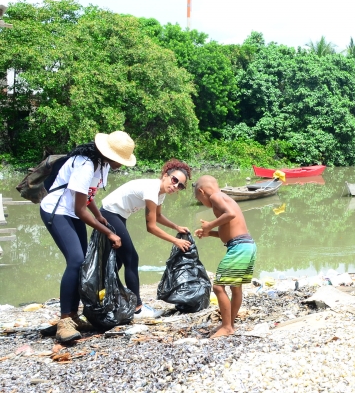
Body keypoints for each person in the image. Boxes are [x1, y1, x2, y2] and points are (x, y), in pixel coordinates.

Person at [40, 131, 137, 342]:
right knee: (75, 260)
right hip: (57, 211)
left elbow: (87, 195)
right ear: (109, 154)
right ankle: (65, 320)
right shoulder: (85, 164)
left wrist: (99, 215)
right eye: (120, 160)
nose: (121, 164)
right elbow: (80, 207)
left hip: (73, 212)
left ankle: (74, 315)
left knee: (83, 263)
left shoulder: (102, 165)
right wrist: (110, 233)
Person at [99, 159, 193, 318]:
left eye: (180, 186)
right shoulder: (152, 189)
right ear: (165, 176)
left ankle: (103, 294)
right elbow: (151, 227)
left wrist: (176, 227)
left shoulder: (160, 193)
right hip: (110, 213)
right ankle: (137, 308)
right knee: (131, 258)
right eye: (174, 180)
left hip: (118, 215)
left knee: (119, 260)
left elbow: (158, 216)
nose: (175, 186)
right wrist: (175, 240)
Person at [193, 175, 256, 338]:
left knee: (218, 287)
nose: (202, 203)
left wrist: (209, 225)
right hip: (246, 244)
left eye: (200, 200)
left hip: (238, 248)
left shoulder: (215, 197)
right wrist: (210, 233)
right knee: (235, 287)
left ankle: (227, 326)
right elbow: (228, 229)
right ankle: (229, 324)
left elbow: (229, 215)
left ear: (202, 191)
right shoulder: (225, 197)